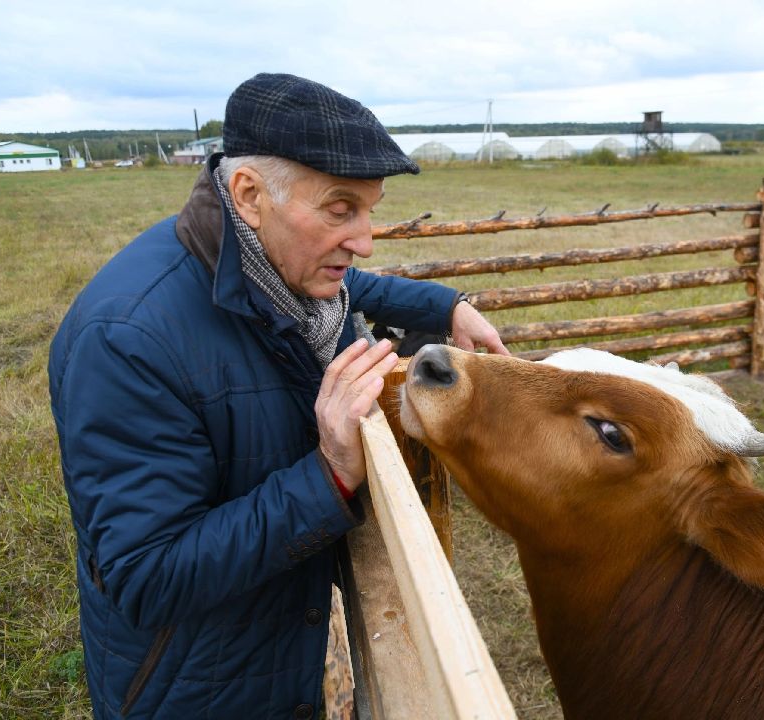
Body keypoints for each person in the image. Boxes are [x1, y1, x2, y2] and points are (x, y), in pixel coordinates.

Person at [48, 72, 509, 719]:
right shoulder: (127, 342)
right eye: (341, 209)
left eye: (370, 210)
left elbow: (350, 286)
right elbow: (146, 577)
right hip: (192, 687)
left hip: (272, 651)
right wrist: (328, 478)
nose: (365, 238)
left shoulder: (258, 262)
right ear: (248, 194)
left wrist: (444, 305)